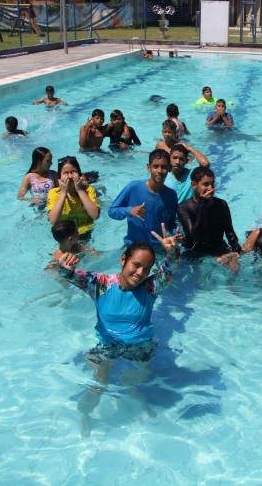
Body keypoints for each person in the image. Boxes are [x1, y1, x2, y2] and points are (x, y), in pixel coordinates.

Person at [56, 224, 182, 432]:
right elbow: (70, 275)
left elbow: (169, 269)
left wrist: (173, 252)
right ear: (123, 260)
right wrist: (64, 266)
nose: (140, 273)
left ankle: (136, 397)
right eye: (136, 264)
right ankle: (85, 415)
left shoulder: (150, 287)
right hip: (108, 345)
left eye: (147, 268)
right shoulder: (101, 284)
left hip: (140, 346)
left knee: (136, 381)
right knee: (98, 385)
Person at [108, 149, 179, 248]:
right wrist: (129, 210)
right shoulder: (133, 187)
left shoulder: (171, 195)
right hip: (134, 247)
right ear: (148, 168)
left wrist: (176, 233)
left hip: (160, 247)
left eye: (164, 167)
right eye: (155, 166)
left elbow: (171, 223)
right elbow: (112, 211)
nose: (159, 171)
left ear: (169, 169)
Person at [177, 166, 241, 267]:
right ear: (194, 185)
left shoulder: (221, 204)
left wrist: (237, 251)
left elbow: (230, 232)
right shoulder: (183, 208)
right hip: (195, 251)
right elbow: (195, 236)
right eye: (206, 184)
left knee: (235, 269)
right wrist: (203, 205)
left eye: (212, 184)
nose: (211, 188)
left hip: (218, 248)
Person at [47, 156, 101, 239]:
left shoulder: (88, 190)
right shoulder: (54, 193)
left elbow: (95, 215)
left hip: (85, 233)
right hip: (64, 235)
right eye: (65, 173)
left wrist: (80, 190)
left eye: (73, 172)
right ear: (59, 177)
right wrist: (63, 192)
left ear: (80, 174)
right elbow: (53, 221)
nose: (70, 176)